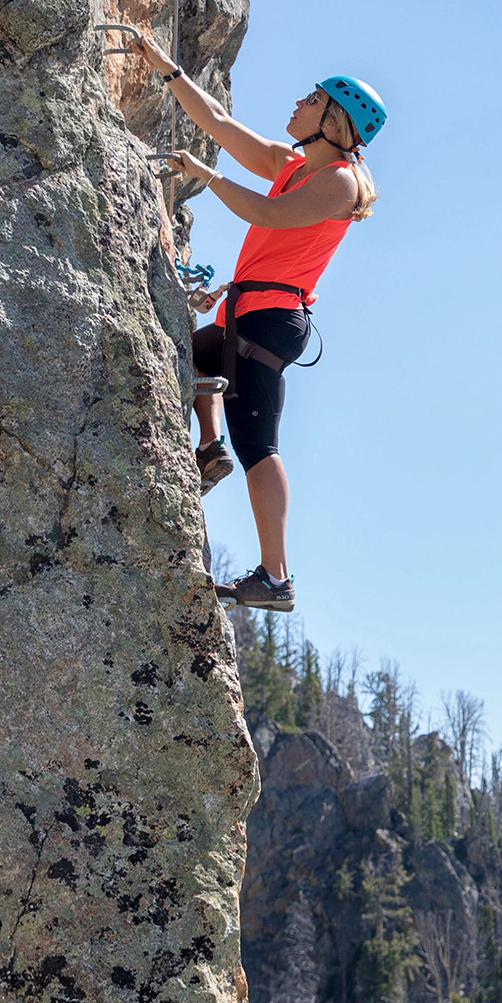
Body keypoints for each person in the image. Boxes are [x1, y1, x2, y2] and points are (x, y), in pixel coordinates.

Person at [128, 31, 385, 612]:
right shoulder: (291, 164)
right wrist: (166, 67)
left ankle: (276, 578)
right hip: (252, 311)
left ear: (336, 122)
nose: (299, 102)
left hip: (271, 320)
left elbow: (268, 213)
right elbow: (218, 121)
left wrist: (208, 176)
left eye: (313, 100)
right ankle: (210, 443)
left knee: (260, 445)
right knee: (183, 358)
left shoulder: (339, 181)